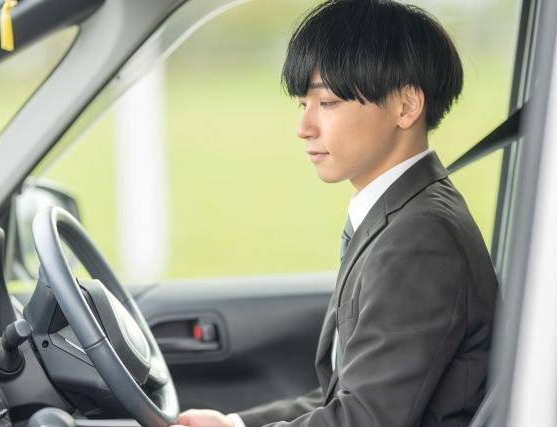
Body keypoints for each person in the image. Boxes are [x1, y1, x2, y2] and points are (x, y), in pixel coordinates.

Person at [171, 0, 499, 426]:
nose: (304, 127)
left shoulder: (420, 238)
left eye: (326, 102)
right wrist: (233, 424)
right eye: (302, 104)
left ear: (406, 106)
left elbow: (363, 418)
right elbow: (347, 393)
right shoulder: (400, 214)